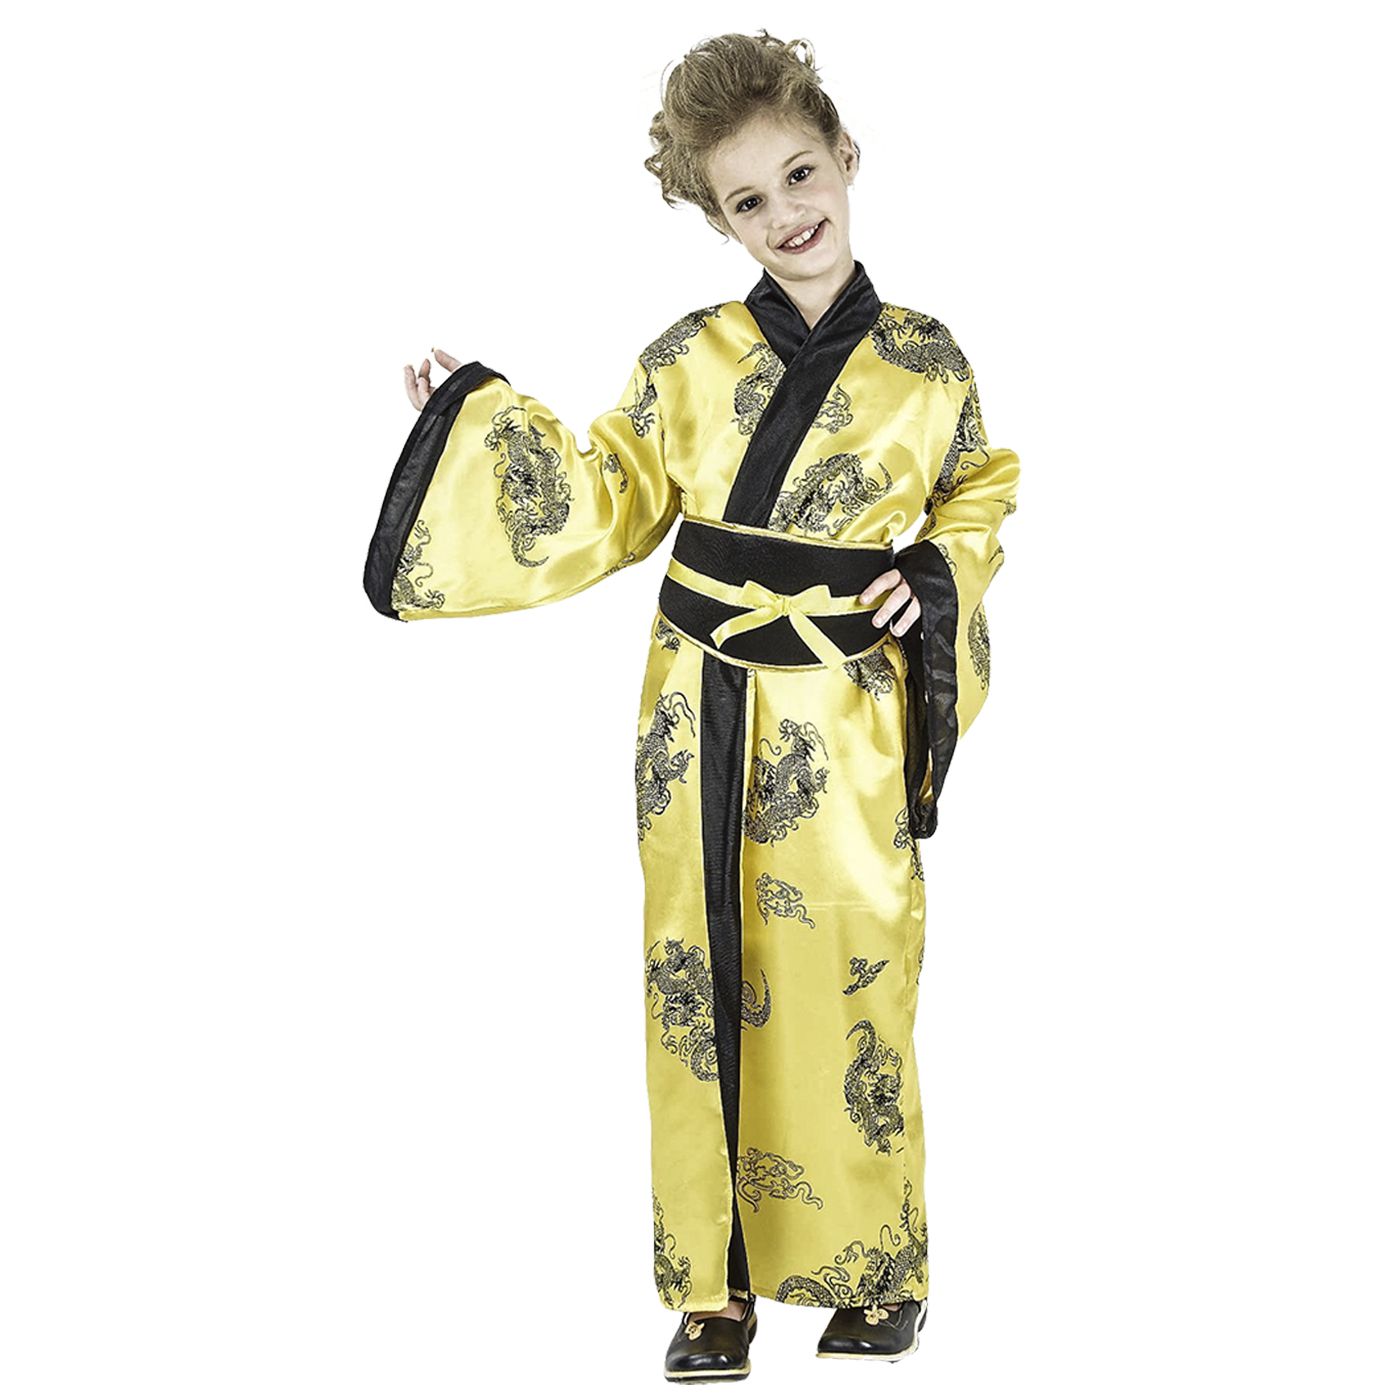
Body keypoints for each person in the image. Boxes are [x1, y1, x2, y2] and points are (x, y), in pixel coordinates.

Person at [363, 29, 1019, 1382]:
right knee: (694, 973)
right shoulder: (691, 358)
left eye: (800, 174)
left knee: (856, 972)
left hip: (845, 718)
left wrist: (935, 577)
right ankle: (712, 1285)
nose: (788, 215)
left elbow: (978, 491)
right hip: (697, 708)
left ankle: (877, 1270)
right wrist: (473, 433)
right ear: (720, 219)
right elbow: (606, 495)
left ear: (846, 154)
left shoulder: (928, 362)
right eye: (749, 200)